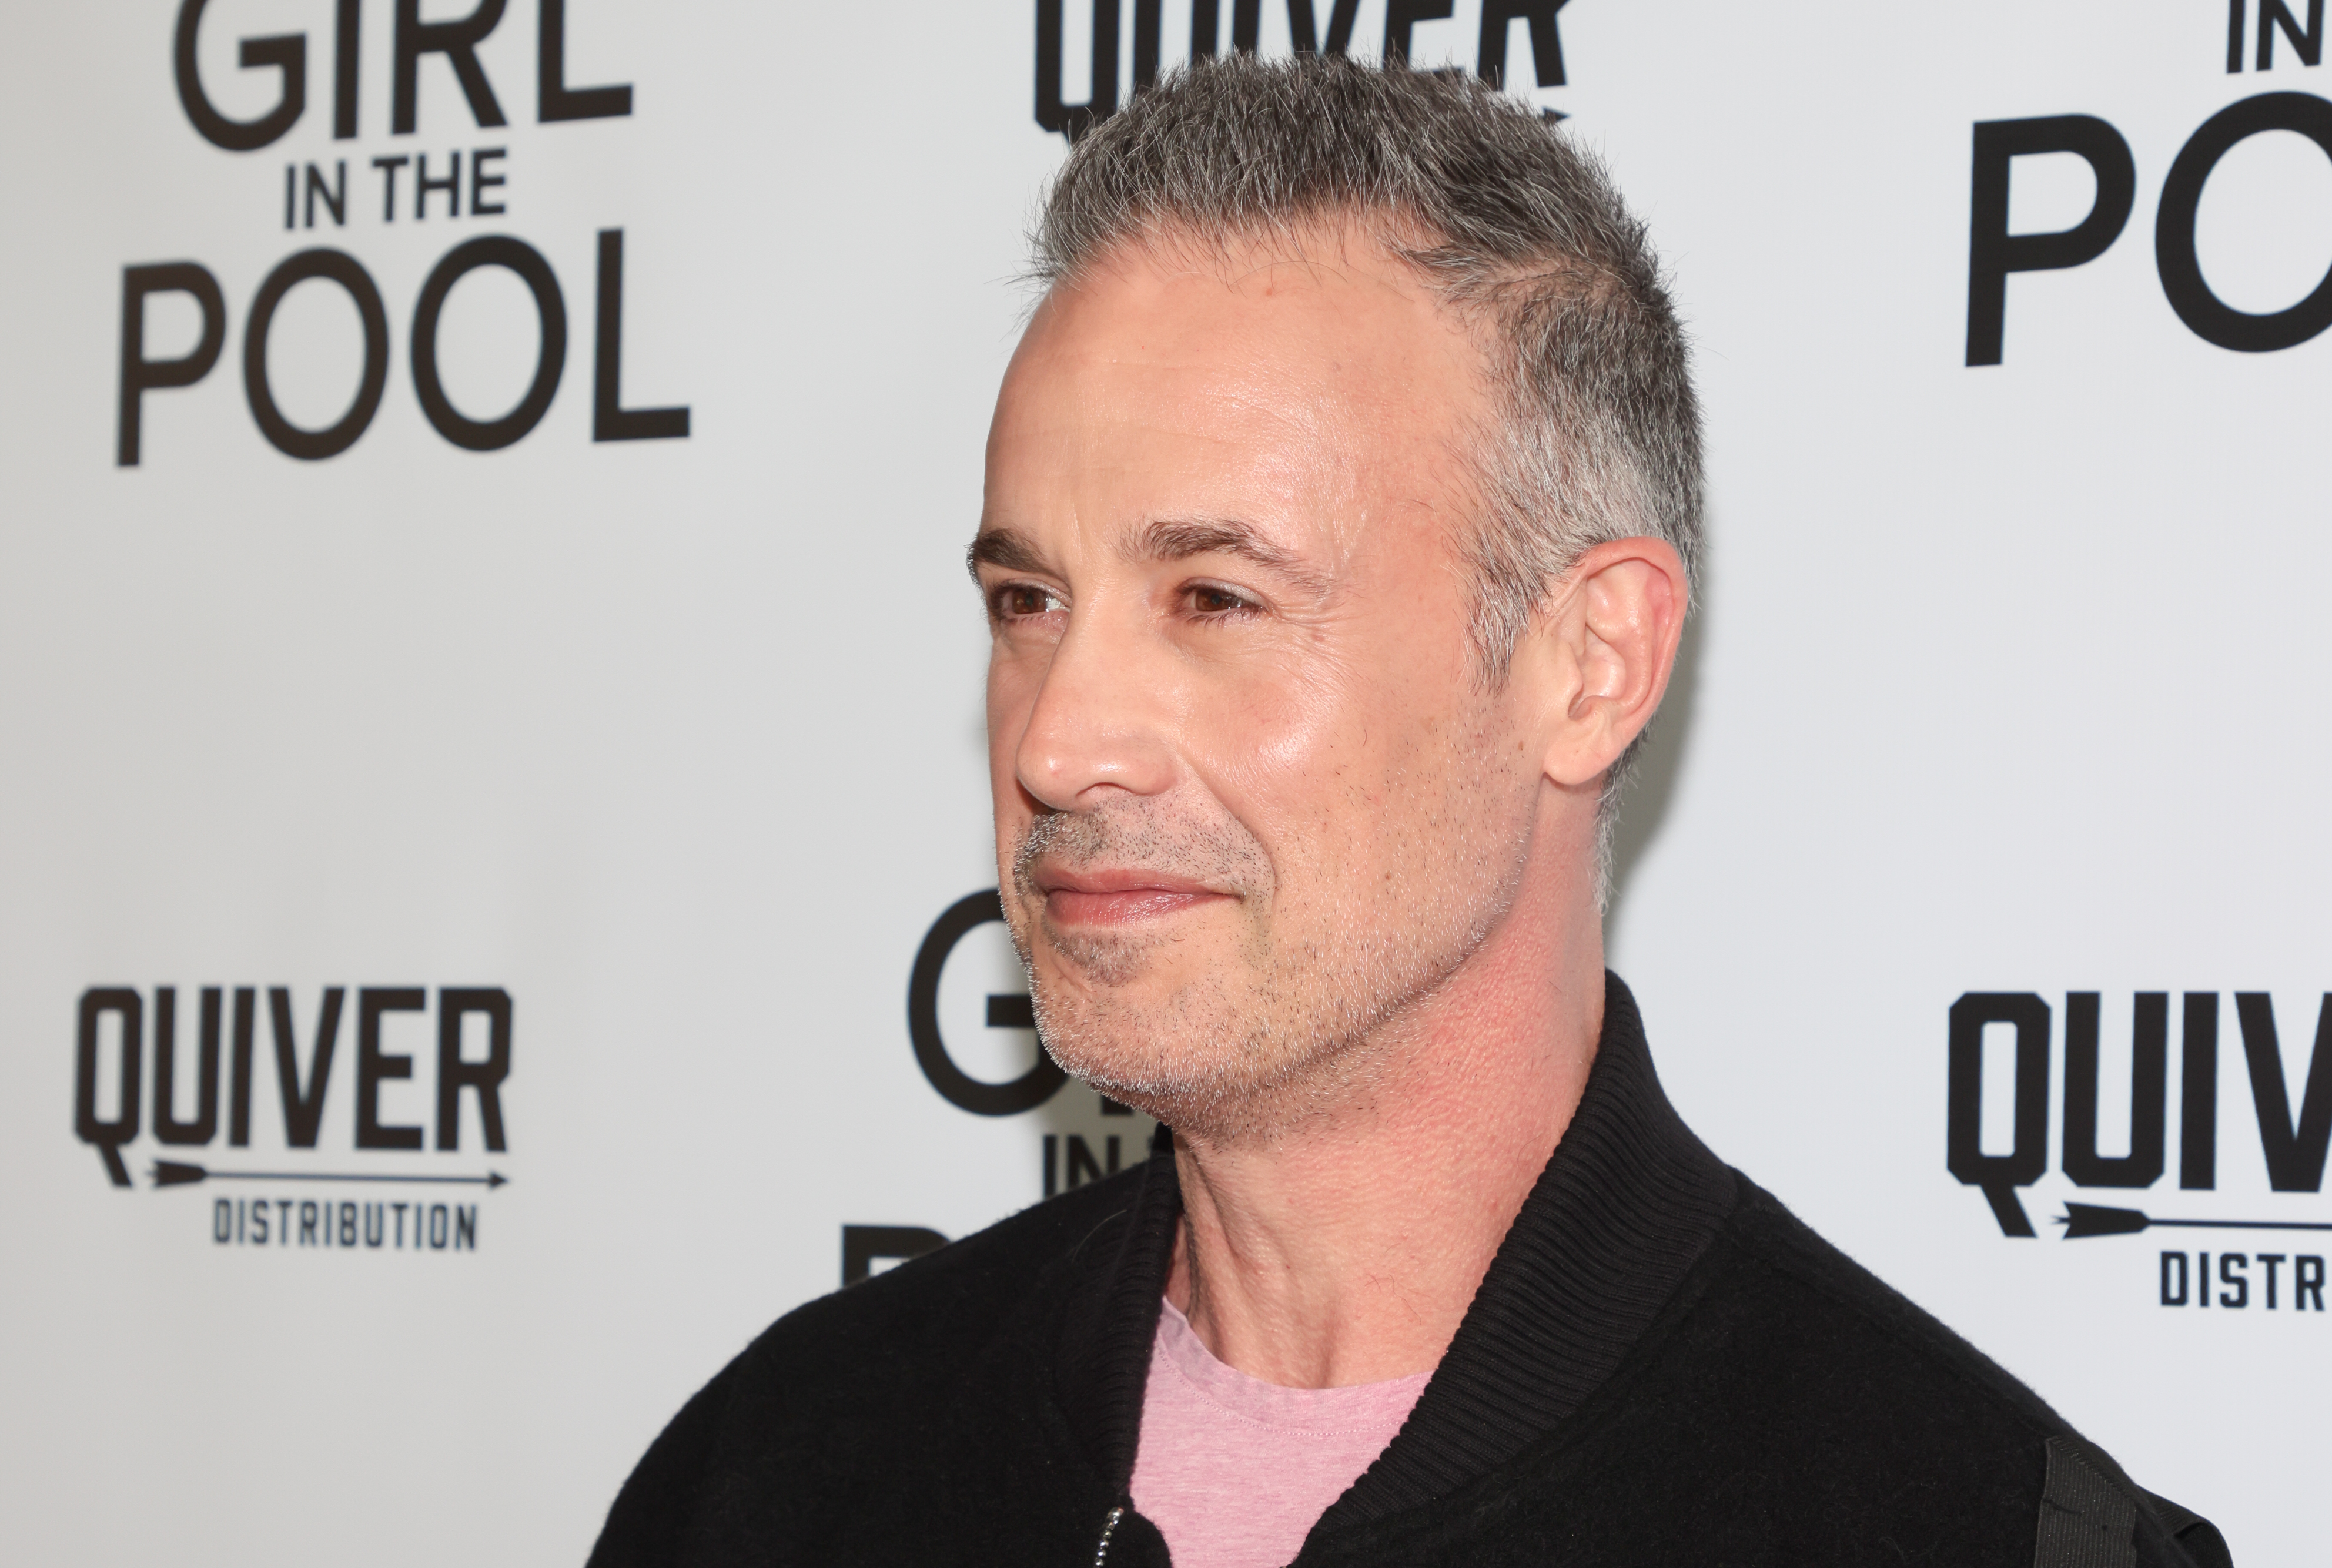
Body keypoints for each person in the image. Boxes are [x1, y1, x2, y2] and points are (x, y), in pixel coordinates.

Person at [588, 54, 2228, 1568]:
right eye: (1028, 601)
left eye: (1217, 598)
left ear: (1589, 663)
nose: (1061, 738)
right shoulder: (783, 1471)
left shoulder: (1979, 1528)